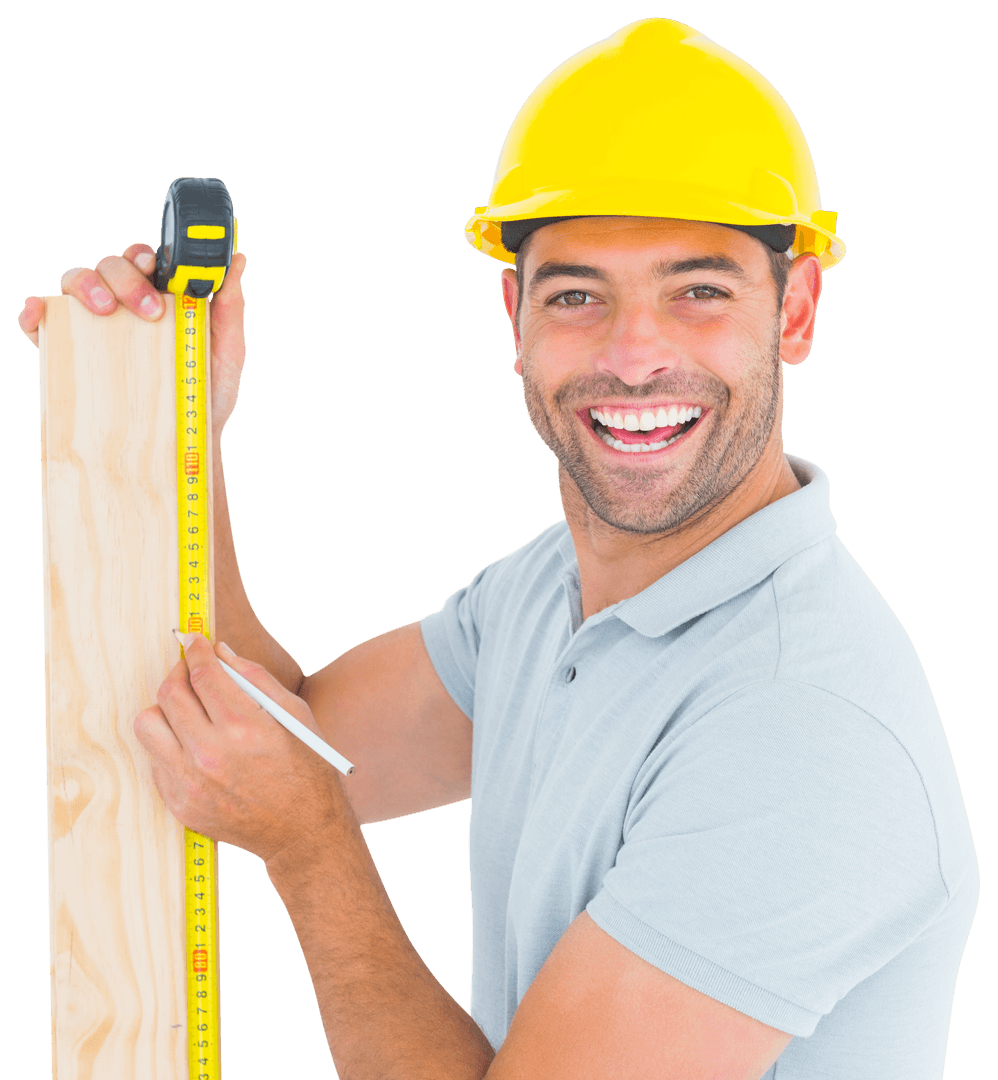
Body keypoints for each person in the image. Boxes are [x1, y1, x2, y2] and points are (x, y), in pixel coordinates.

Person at [19, 17, 979, 1080]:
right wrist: (176, 424)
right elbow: (293, 738)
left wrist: (309, 852)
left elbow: (306, 798)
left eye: (697, 291)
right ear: (512, 312)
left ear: (792, 310)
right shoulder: (547, 594)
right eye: (576, 295)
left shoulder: (800, 725)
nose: (632, 355)